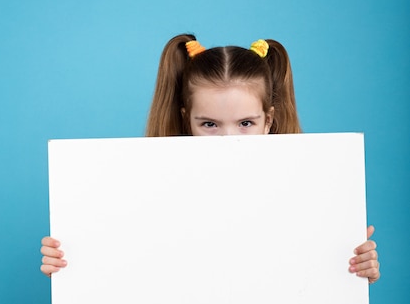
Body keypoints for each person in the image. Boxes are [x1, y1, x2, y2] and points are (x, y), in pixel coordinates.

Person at [40, 33, 380, 283]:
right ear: (188, 119)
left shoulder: (310, 195)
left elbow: (313, 279)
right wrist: (71, 258)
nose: (229, 139)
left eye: (246, 123)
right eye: (210, 124)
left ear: (269, 121)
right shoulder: (143, 194)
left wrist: (354, 265)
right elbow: (126, 264)